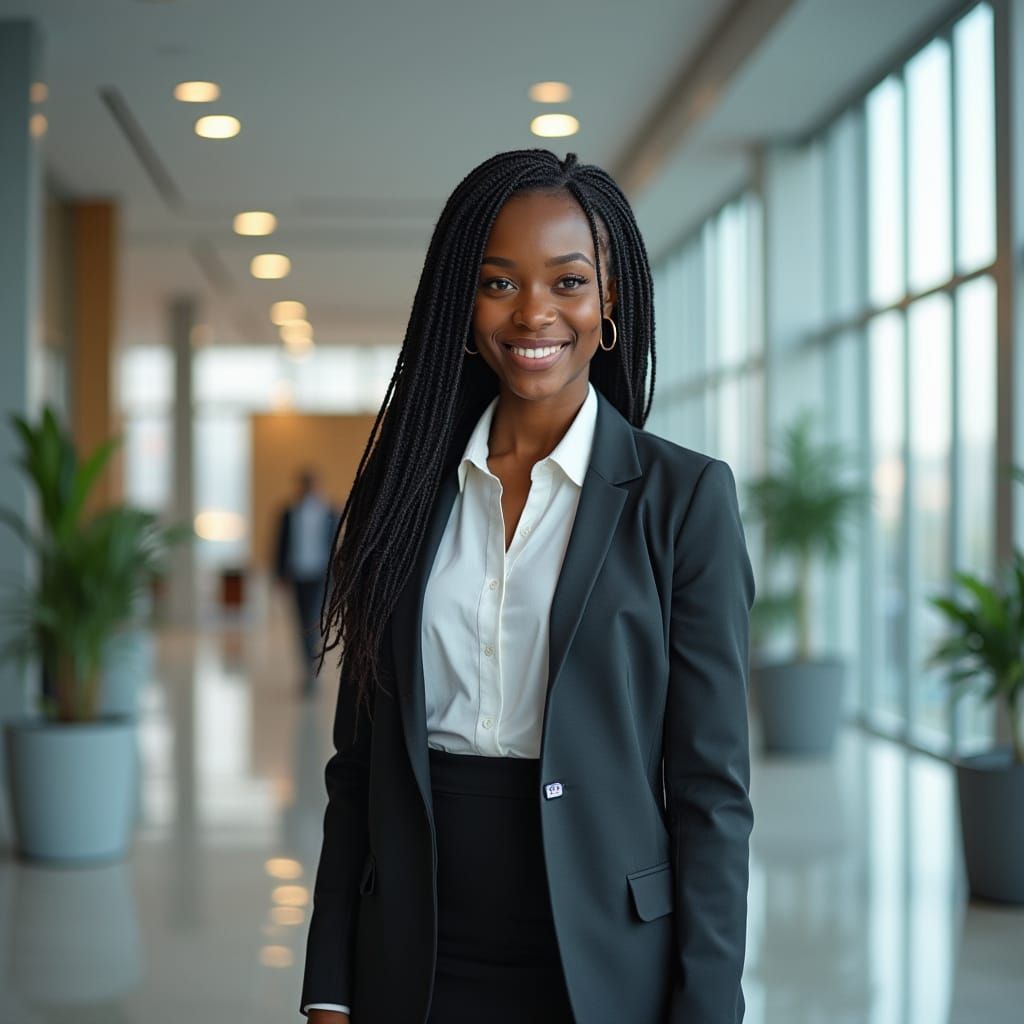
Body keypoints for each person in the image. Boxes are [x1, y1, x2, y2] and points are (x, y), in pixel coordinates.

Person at [300, 149, 755, 1024]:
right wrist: (328, 987)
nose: (535, 313)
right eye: (499, 283)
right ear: (461, 304)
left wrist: (707, 1010)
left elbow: (711, 793)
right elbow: (355, 769)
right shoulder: (401, 493)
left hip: (602, 959)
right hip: (411, 949)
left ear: (609, 299)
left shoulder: (684, 499)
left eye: (568, 281)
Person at [273, 468, 338, 695]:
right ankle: (308, 668)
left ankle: (311, 670)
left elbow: (336, 546)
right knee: (301, 623)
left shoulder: (329, 510)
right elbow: (279, 545)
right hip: (297, 575)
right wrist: (278, 574)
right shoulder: (289, 512)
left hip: (320, 576)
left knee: (312, 621)